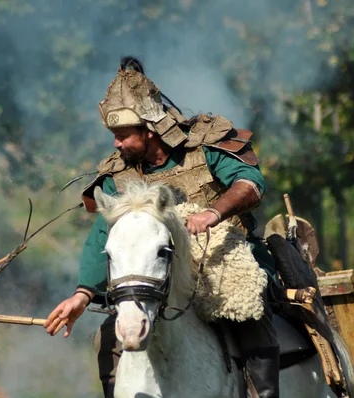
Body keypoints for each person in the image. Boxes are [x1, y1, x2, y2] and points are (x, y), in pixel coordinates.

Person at [44, 57, 279, 398]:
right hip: (156, 271)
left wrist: (212, 214)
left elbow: (249, 182)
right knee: (108, 335)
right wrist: (82, 295)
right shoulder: (117, 176)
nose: (116, 144)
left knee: (245, 306)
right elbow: (104, 237)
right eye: (114, 136)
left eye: (123, 135)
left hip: (225, 255)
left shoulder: (204, 147)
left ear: (149, 130)